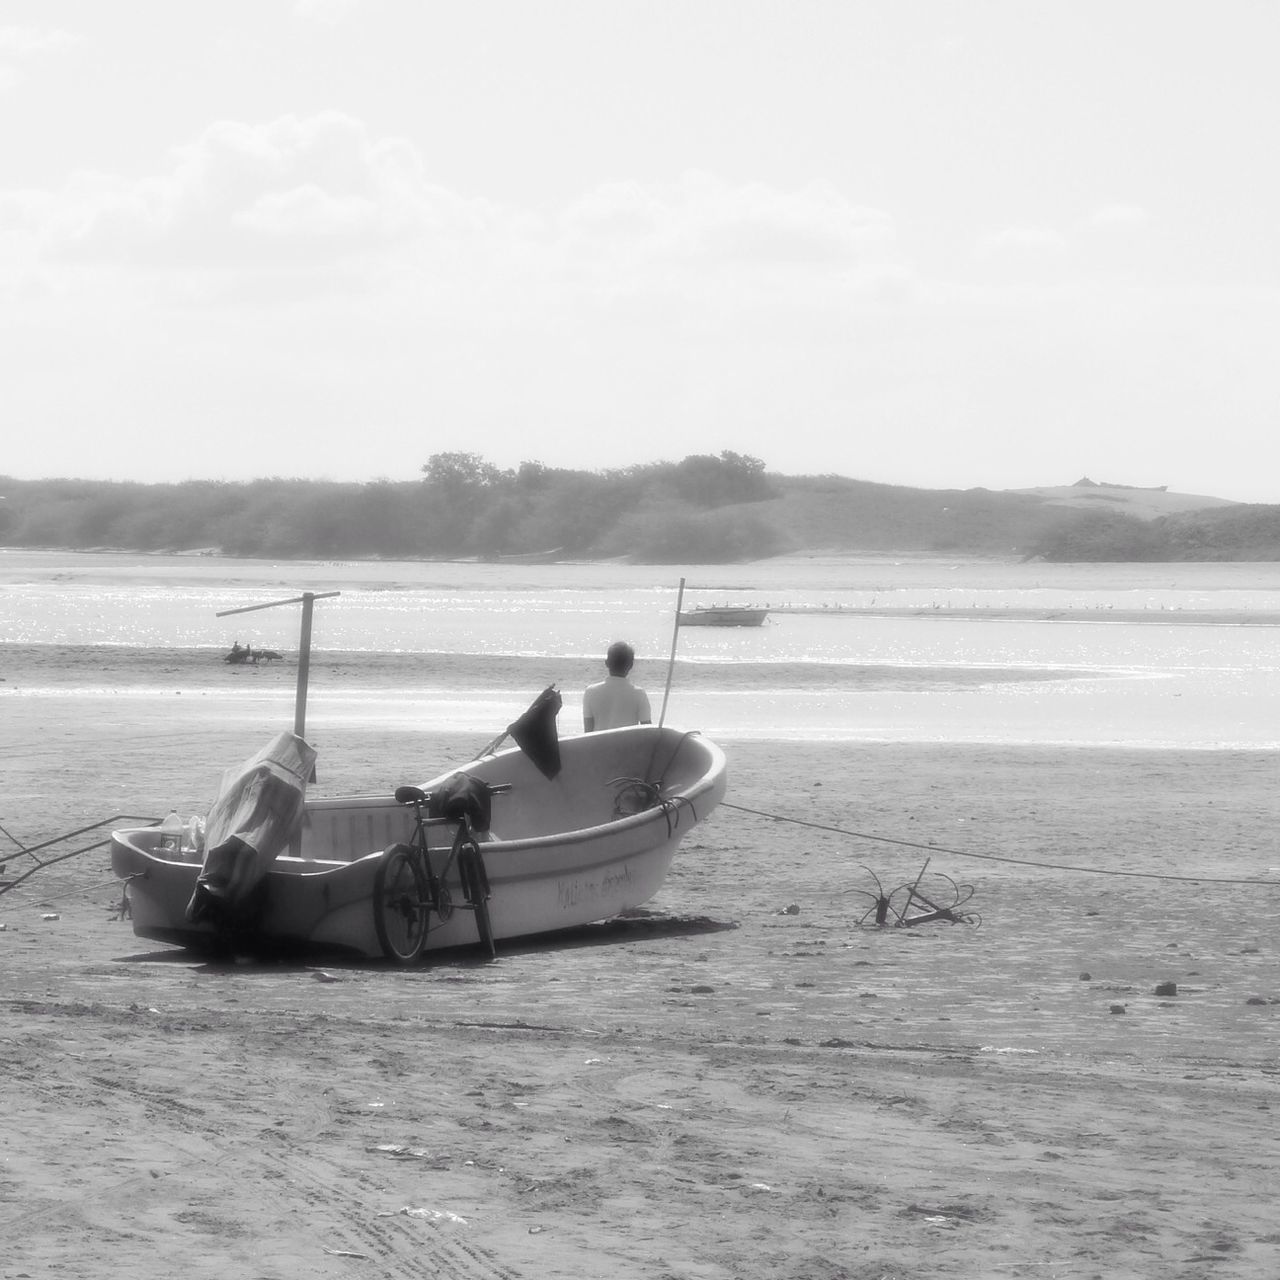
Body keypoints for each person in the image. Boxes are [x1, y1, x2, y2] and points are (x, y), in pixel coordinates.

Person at [582, 640, 651, 732]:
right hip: (628, 746)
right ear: (631, 665)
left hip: (598, 746)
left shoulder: (590, 692)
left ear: (607, 663)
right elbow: (648, 732)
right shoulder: (639, 694)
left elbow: (587, 733)